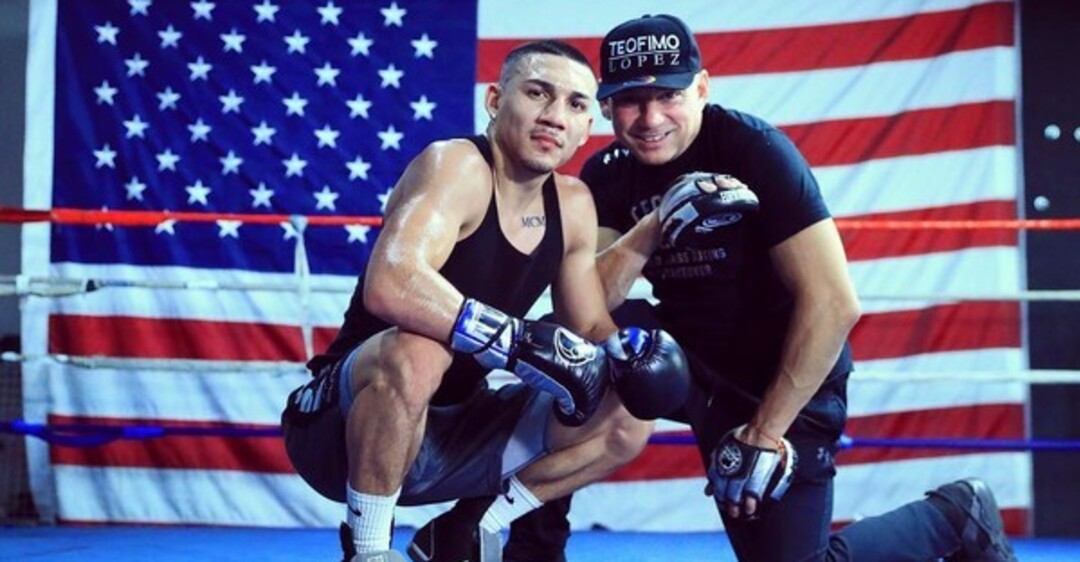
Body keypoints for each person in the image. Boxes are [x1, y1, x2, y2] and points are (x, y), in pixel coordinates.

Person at [415, 14, 1018, 562]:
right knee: (569, 355)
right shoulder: (608, 174)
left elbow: (834, 302)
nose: (650, 121)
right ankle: (512, 543)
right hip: (687, 367)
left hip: (780, 378)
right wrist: (651, 230)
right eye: (630, 101)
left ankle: (957, 513)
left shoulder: (752, 151)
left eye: (670, 96)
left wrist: (767, 432)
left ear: (702, 88)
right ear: (606, 107)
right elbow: (585, 305)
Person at [280, 39, 691, 562]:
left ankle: (469, 532)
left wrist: (630, 355)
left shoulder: (573, 204)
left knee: (626, 415)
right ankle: (368, 550)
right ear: (496, 100)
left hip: (455, 429)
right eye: (538, 94)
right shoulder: (455, 165)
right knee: (421, 349)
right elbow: (392, 280)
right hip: (339, 428)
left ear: (589, 125)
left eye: (575, 104)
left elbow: (583, 325)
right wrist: (512, 341)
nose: (555, 117)